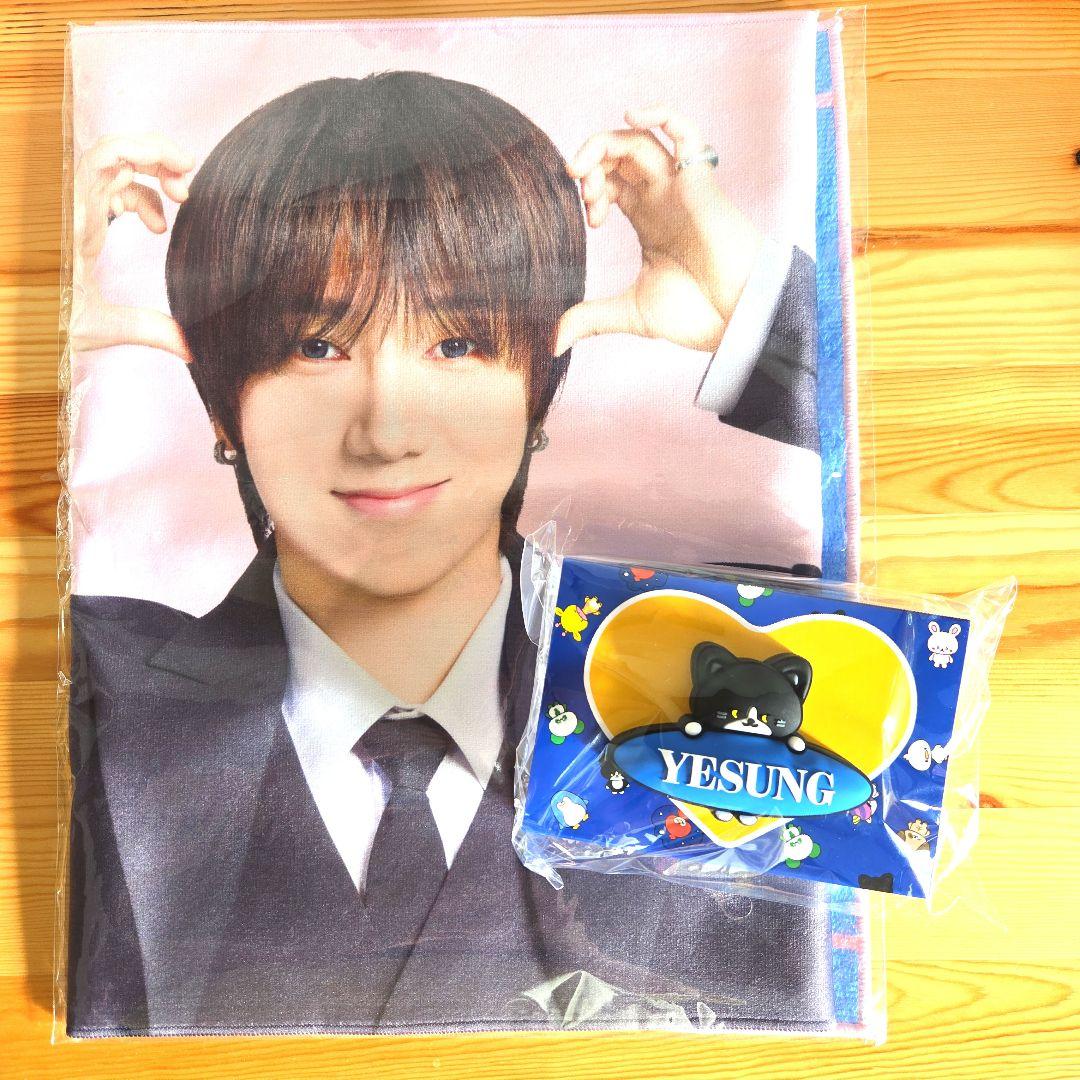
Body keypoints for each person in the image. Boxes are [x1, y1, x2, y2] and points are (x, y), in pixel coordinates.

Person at [67, 72, 832, 1036]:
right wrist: (20, 337)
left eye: (458, 343)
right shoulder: (96, 682)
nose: (388, 431)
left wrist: (759, 313)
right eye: (317, 346)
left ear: (540, 388)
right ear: (222, 406)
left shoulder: (726, 664)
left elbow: (964, 508)